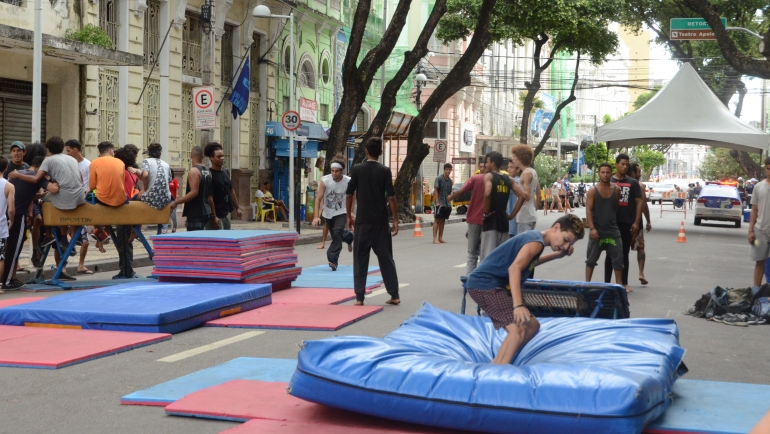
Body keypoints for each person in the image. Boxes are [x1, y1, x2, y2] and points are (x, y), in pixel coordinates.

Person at [465, 214, 585, 364]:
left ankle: (499, 361)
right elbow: (515, 268)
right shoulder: (536, 242)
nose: (566, 246)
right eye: (566, 240)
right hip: (485, 284)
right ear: (556, 227)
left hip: (492, 285)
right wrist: (518, 305)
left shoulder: (537, 240)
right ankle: (498, 369)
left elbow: (529, 262)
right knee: (517, 330)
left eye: (570, 244)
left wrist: (557, 255)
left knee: (532, 326)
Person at [345, 137, 400, 306]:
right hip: (381, 222)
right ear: (381, 153)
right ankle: (394, 295)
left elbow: (349, 194)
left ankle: (359, 298)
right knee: (386, 259)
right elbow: (391, 197)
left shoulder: (357, 169)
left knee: (360, 259)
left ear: (366, 151)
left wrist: (348, 216)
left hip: (362, 222)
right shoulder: (385, 171)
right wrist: (395, 219)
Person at [4, 156, 57, 289]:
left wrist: (40, 196)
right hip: (17, 215)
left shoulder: (18, 174)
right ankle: (7, 281)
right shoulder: (39, 178)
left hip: (4, 214)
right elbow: (54, 189)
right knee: (14, 248)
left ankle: (10, 278)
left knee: (6, 247)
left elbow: (25, 193)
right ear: (41, 168)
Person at [9, 136, 85, 211]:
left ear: (48, 149)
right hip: (80, 196)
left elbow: (35, 179)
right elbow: (81, 179)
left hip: (65, 198)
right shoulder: (73, 159)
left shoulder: (48, 160)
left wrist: (17, 175)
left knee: (42, 199)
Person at [603, 154, 643, 293]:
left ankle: (624, 283)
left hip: (627, 222)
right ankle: (606, 283)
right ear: (616, 165)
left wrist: (636, 222)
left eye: (627, 164)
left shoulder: (633, 183)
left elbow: (639, 203)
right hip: (611, 223)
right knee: (610, 254)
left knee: (624, 253)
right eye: (622, 164)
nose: (625, 167)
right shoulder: (609, 180)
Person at [447, 155, 487, 275]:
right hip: (487, 219)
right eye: (480, 167)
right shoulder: (496, 178)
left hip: (475, 218)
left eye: (483, 166)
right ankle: (481, 276)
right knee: (484, 251)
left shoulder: (475, 178)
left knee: (472, 251)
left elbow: (461, 190)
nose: (482, 169)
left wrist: (451, 197)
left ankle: (470, 276)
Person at [480, 152, 524, 261]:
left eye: (487, 162)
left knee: (488, 257)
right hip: (504, 222)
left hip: (491, 221)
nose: (485, 165)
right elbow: (522, 196)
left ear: (493, 164)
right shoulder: (509, 179)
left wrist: (485, 213)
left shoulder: (489, 176)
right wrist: (511, 215)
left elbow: (487, 194)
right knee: (502, 257)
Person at [585, 163, 623, 287]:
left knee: (618, 261)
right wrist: (592, 228)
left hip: (613, 231)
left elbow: (615, 208)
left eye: (607, 172)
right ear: (599, 174)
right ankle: (586, 285)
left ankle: (618, 287)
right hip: (597, 231)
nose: (605, 175)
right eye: (602, 172)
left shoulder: (616, 189)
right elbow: (589, 210)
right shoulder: (593, 190)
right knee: (591, 260)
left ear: (611, 173)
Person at [313, 153, 354, 271]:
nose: (334, 173)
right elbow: (318, 199)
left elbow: (352, 196)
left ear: (342, 171)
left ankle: (332, 259)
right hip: (328, 213)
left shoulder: (348, 181)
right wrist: (316, 216)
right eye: (332, 171)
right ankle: (349, 237)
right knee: (337, 234)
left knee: (337, 233)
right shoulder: (325, 180)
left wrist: (350, 212)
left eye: (337, 171)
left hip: (342, 211)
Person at [108, 146, 142, 280]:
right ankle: (127, 270)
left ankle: (127, 272)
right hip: (130, 208)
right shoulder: (132, 173)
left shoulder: (122, 172)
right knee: (126, 242)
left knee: (123, 242)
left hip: (123, 209)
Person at [64, 139, 93, 275]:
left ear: (76, 150)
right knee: (67, 238)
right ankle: (63, 266)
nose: (67, 153)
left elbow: (90, 183)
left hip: (83, 201)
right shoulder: (68, 164)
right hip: (71, 201)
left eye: (69, 151)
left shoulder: (88, 165)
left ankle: (81, 265)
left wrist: (86, 193)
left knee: (85, 241)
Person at [172, 146, 214, 232]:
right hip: (206, 210)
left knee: (194, 237)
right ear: (203, 157)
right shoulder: (208, 171)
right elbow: (209, 194)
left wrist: (176, 202)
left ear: (191, 155)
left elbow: (194, 192)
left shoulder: (194, 171)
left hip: (196, 212)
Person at [203, 142, 242, 229]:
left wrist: (237, 208)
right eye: (218, 157)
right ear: (211, 158)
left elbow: (231, 190)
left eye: (222, 156)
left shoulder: (226, 172)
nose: (222, 158)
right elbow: (210, 197)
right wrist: (213, 216)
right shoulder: (209, 174)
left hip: (226, 213)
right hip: (214, 216)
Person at [138, 143, 175, 234]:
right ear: (160, 154)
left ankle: (135, 230)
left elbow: (145, 175)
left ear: (149, 154)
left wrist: (144, 189)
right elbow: (169, 179)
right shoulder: (166, 164)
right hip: (166, 199)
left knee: (135, 199)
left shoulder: (146, 161)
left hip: (151, 198)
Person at [628, 163, 652, 286]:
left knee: (623, 250)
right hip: (636, 222)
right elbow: (644, 205)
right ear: (632, 173)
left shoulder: (620, 184)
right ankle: (641, 273)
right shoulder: (640, 185)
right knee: (640, 248)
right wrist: (648, 221)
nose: (640, 174)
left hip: (624, 221)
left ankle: (622, 278)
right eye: (638, 172)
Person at [748, 158, 770, 287]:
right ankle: (756, 290)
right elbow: (754, 210)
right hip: (760, 231)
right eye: (768, 169)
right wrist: (750, 231)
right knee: (759, 261)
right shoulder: (758, 187)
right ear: (765, 169)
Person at [0, 157, 15, 293]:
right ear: (6, 168)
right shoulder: (9, 186)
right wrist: (12, 220)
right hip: (1, 226)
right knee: (0, 257)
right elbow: (11, 209)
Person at [433, 163, 453, 244]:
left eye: (449, 169)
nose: (448, 171)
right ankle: (435, 238)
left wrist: (449, 201)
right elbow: (436, 190)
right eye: (446, 169)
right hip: (439, 203)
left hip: (446, 204)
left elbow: (450, 192)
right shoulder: (439, 178)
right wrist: (437, 202)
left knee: (443, 220)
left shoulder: (450, 181)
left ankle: (440, 237)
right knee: (437, 220)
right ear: (444, 170)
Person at [507, 160, 522, 239]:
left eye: (511, 167)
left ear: (518, 169)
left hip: (513, 218)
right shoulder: (522, 180)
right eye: (508, 167)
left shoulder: (514, 181)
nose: (508, 169)